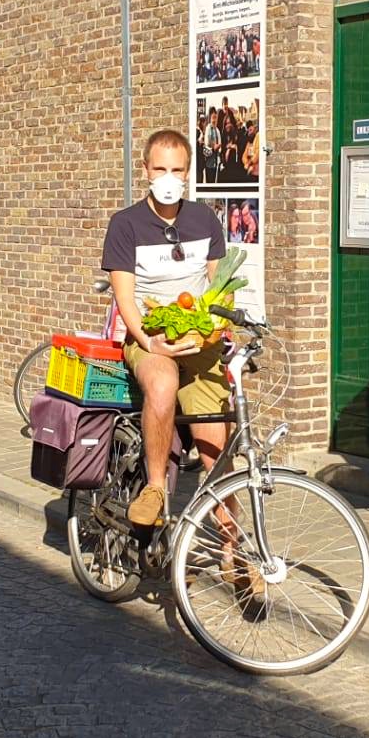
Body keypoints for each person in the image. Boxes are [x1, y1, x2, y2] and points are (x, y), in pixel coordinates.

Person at [101, 129, 261, 595]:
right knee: (163, 385)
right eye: (160, 169)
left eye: (178, 170)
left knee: (217, 447)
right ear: (146, 171)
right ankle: (154, 488)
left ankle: (233, 552)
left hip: (199, 339)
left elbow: (218, 283)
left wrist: (222, 324)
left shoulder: (204, 219)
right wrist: (150, 344)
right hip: (149, 336)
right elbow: (125, 298)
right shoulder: (125, 224)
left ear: (188, 174)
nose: (169, 178)